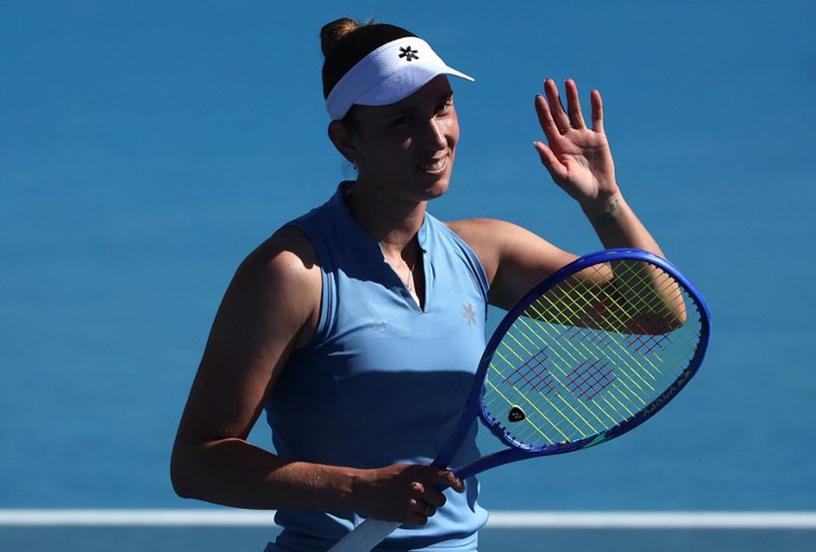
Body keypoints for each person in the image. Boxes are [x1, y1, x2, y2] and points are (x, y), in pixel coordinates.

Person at [170, 17, 669, 552]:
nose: (436, 136)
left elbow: (660, 312)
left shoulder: (485, 253)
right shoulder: (293, 273)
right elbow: (199, 462)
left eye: (443, 106)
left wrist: (605, 204)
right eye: (403, 121)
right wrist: (356, 488)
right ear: (346, 139)